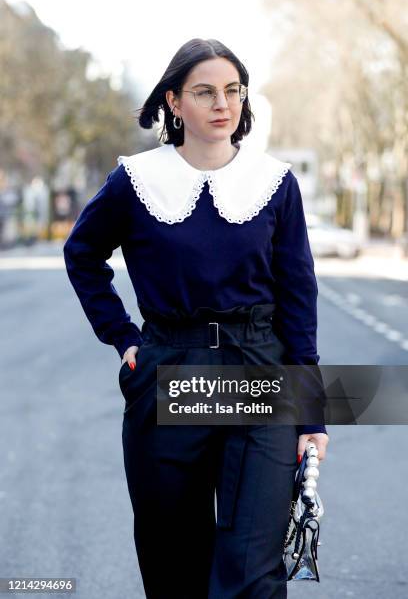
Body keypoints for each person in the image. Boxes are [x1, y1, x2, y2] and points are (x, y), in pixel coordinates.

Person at [63, 37, 329, 599]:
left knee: (252, 573)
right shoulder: (134, 181)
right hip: (169, 368)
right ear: (174, 102)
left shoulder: (276, 184)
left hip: (259, 369)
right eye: (205, 91)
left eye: (232, 91)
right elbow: (82, 255)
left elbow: (299, 299)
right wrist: (123, 338)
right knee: (174, 565)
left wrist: (311, 414)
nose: (222, 104)